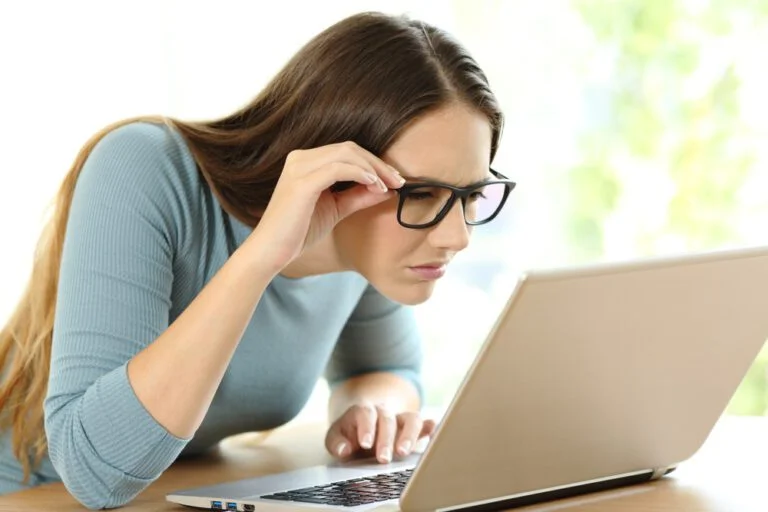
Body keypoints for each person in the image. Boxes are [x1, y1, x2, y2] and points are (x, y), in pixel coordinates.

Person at [0, 10, 512, 510]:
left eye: (470, 195)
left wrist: (374, 410)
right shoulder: (142, 167)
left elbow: (387, 366)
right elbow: (96, 475)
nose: (457, 236)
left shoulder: (373, 249)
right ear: (336, 168)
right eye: (420, 193)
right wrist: (264, 253)